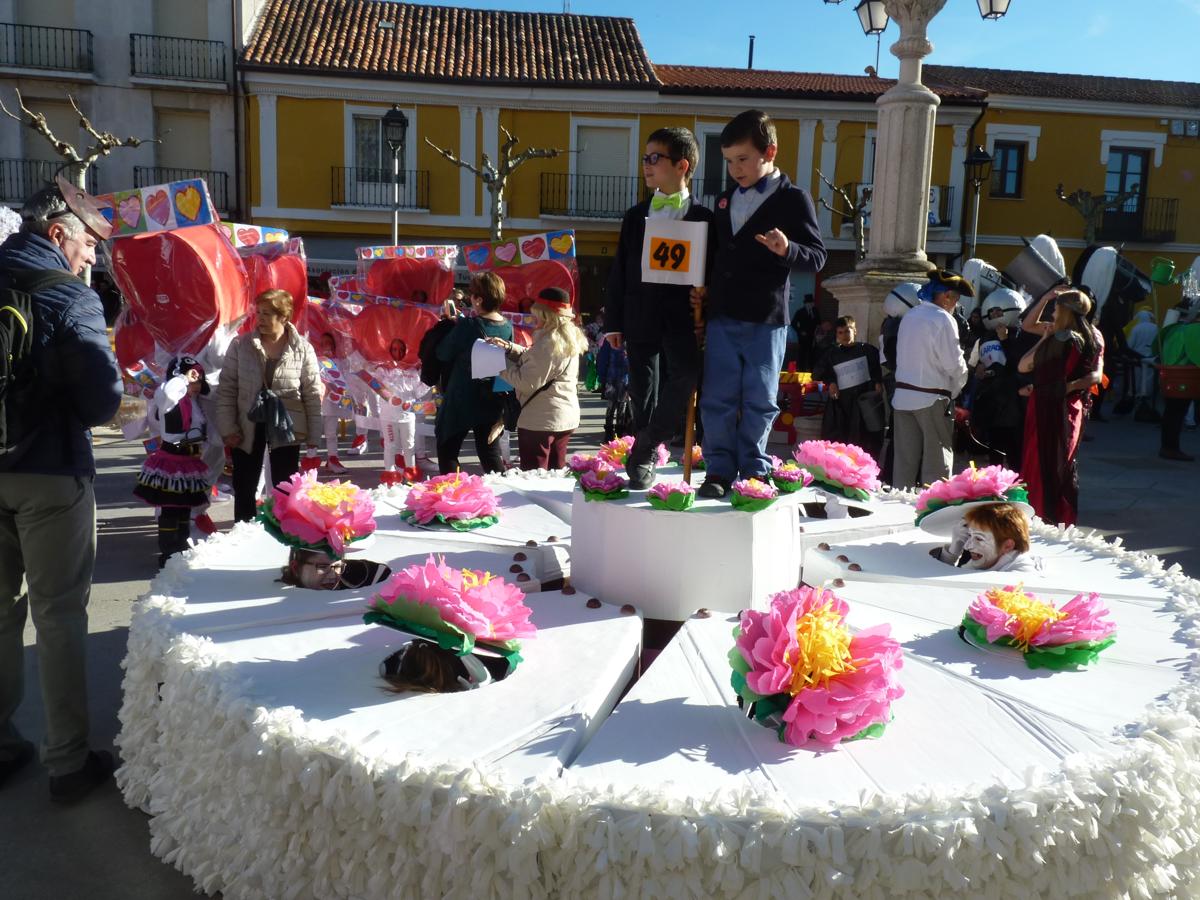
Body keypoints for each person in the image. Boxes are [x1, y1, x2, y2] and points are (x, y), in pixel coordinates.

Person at [0, 178, 123, 800]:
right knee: (58, 615)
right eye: (90, 246)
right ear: (58, 234)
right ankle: (68, 763)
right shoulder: (67, 294)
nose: (93, 258)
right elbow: (103, 400)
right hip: (50, 470)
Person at [692, 109, 827, 498]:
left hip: (767, 319)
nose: (735, 169)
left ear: (770, 151)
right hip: (722, 315)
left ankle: (753, 466)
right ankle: (718, 470)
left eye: (743, 159)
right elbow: (715, 256)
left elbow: (817, 256)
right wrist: (702, 288)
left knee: (760, 397)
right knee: (716, 396)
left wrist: (788, 249)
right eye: (730, 161)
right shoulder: (722, 201)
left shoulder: (793, 198)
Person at [605, 127, 716, 488]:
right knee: (643, 389)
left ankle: (647, 443)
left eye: (656, 158)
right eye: (645, 158)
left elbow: (711, 272)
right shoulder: (636, 215)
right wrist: (614, 322)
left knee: (686, 374)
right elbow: (620, 268)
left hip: (683, 316)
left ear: (682, 165)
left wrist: (708, 302)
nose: (647, 165)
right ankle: (646, 457)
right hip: (640, 314)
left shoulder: (705, 218)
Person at [216, 288, 323, 523]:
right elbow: (227, 389)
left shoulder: (302, 349)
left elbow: (312, 394)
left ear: (283, 317)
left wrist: (315, 434)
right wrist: (228, 428)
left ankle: (284, 530)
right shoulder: (241, 345)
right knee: (244, 483)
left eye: (266, 314)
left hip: (287, 425)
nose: (260, 319)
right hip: (247, 424)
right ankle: (243, 532)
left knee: (286, 484)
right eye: (258, 313)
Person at [1017, 289, 1098, 526]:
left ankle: (1042, 516)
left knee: (1043, 462)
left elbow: (1023, 366)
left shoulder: (1061, 339)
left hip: (1050, 408)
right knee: (1061, 464)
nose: (1053, 312)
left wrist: (1043, 340)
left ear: (1064, 312)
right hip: (1066, 407)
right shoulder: (1088, 337)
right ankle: (1058, 518)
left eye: (1056, 308)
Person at [489, 287, 587, 470]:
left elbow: (527, 382)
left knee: (535, 478)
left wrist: (499, 368)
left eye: (536, 313)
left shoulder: (547, 343)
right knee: (556, 475)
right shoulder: (564, 336)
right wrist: (511, 348)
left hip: (541, 421)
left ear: (546, 315)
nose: (533, 317)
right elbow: (540, 363)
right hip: (563, 416)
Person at [891, 270, 972, 488]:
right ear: (945, 296)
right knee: (937, 465)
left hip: (902, 397)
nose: (956, 303)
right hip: (932, 398)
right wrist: (958, 387)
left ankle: (897, 506)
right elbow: (954, 364)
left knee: (904, 463)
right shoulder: (944, 319)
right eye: (955, 298)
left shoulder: (910, 315)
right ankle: (934, 511)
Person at [134, 357, 214, 568]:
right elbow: (168, 393)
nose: (196, 386)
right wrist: (182, 377)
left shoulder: (192, 402)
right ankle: (169, 552)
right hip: (171, 462)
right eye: (193, 381)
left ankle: (180, 548)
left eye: (198, 381)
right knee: (170, 509)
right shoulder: (168, 398)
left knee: (184, 508)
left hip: (188, 462)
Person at [434, 272, 513, 474]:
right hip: (492, 395)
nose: (470, 298)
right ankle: (501, 496)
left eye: (472, 294)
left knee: (448, 449)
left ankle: (452, 496)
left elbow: (443, 353)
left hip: (462, 396)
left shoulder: (467, 325)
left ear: (478, 299)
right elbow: (507, 363)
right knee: (489, 452)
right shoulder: (507, 326)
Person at [812, 315, 884, 457]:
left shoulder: (868, 350)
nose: (844, 335)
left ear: (855, 331)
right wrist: (831, 382)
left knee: (865, 440)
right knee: (840, 440)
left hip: (863, 404)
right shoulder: (832, 354)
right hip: (841, 405)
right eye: (840, 332)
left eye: (847, 331)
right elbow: (817, 373)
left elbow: (876, 370)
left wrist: (877, 382)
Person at [930, 503, 1041, 572]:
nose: (968, 546)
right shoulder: (985, 562)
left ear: (1007, 546)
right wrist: (954, 549)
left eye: (979, 538)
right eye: (969, 535)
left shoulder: (1021, 574)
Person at [278, 548, 391, 591]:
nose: (333, 575)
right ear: (295, 567)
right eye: (322, 567)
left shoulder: (362, 577)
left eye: (338, 566)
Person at [790, 294, 820, 372]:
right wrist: (800, 331)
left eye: (812, 303)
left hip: (813, 337)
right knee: (802, 354)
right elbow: (793, 323)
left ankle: (812, 370)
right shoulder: (800, 312)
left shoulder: (815, 311)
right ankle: (801, 369)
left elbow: (819, 322)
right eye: (809, 303)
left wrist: (817, 332)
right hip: (803, 337)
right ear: (805, 304)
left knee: (812, 354)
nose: (811, 304)